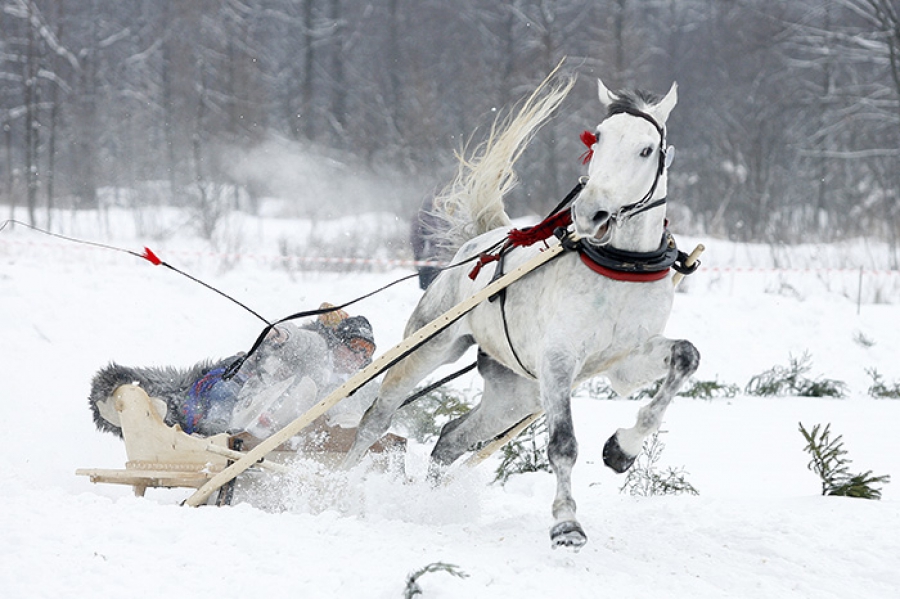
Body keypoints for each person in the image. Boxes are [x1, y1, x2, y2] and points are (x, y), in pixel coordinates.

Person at [88, 304, 378, 441]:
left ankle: (169, 418)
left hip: (264, 407)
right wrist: (283, 335)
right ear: (338, 342)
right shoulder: (318, 351)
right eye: (355, 346)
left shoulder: (352, 382)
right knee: (202, 404)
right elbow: (299, 338)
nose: (359, 357)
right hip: (241, 383)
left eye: (367, 353)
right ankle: (143, 410)